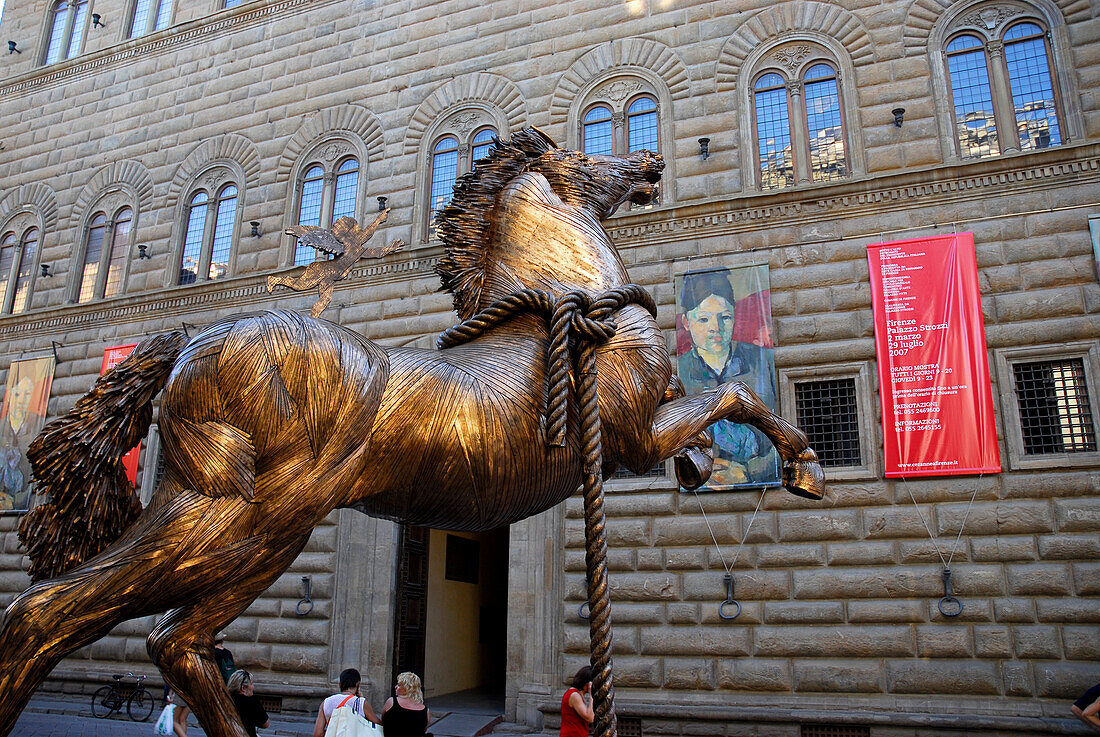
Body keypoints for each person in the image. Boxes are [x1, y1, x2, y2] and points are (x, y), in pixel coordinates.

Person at [678, 273, 779, 486]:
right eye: (703, 319)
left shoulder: (763, 362)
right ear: (686, 322)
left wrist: (750, 471)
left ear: (735, 316)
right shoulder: (679, 372)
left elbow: (785, 435)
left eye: (724, 317)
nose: (716, 327)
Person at [313, 668, 379, 737]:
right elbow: (377, 724)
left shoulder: (326, 702)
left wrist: (334, 732)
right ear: (357, 684)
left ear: (340, 685)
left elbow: (318, 734)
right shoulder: (361, 703)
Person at [381, 671, 430, 737]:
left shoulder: (391, 702)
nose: (395, 687)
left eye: (398, 685)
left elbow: (383, 721)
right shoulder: (426, 711)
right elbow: (424, 729)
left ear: (408, 688)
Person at [227, 670, 270, 737]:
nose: (253, 687)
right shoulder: (251, 702)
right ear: (243, 688)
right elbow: (265, 724)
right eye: (251, 684)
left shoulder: (226, 698)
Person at [560, 666, 594, 737]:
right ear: (587, 682)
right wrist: (591, 696)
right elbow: (590, 718)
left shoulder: (578, 694)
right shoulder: (575, 695)